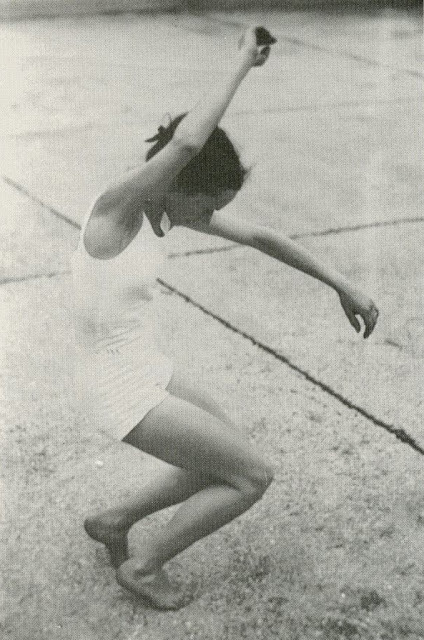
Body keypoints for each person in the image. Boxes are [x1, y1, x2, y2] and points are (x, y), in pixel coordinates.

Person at [72, 26, 379, 610]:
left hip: (139, 367)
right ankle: (144, 566)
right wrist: (242, 61)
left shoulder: (167, 211)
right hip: (116, 388)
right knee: (251, 475)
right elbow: (187, 144)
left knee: (223, 451)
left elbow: (262, 235)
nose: (210, 218)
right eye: (209, 205)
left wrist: (343, 284)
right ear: (181, 185)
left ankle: (116, 520)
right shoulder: (120, 208)